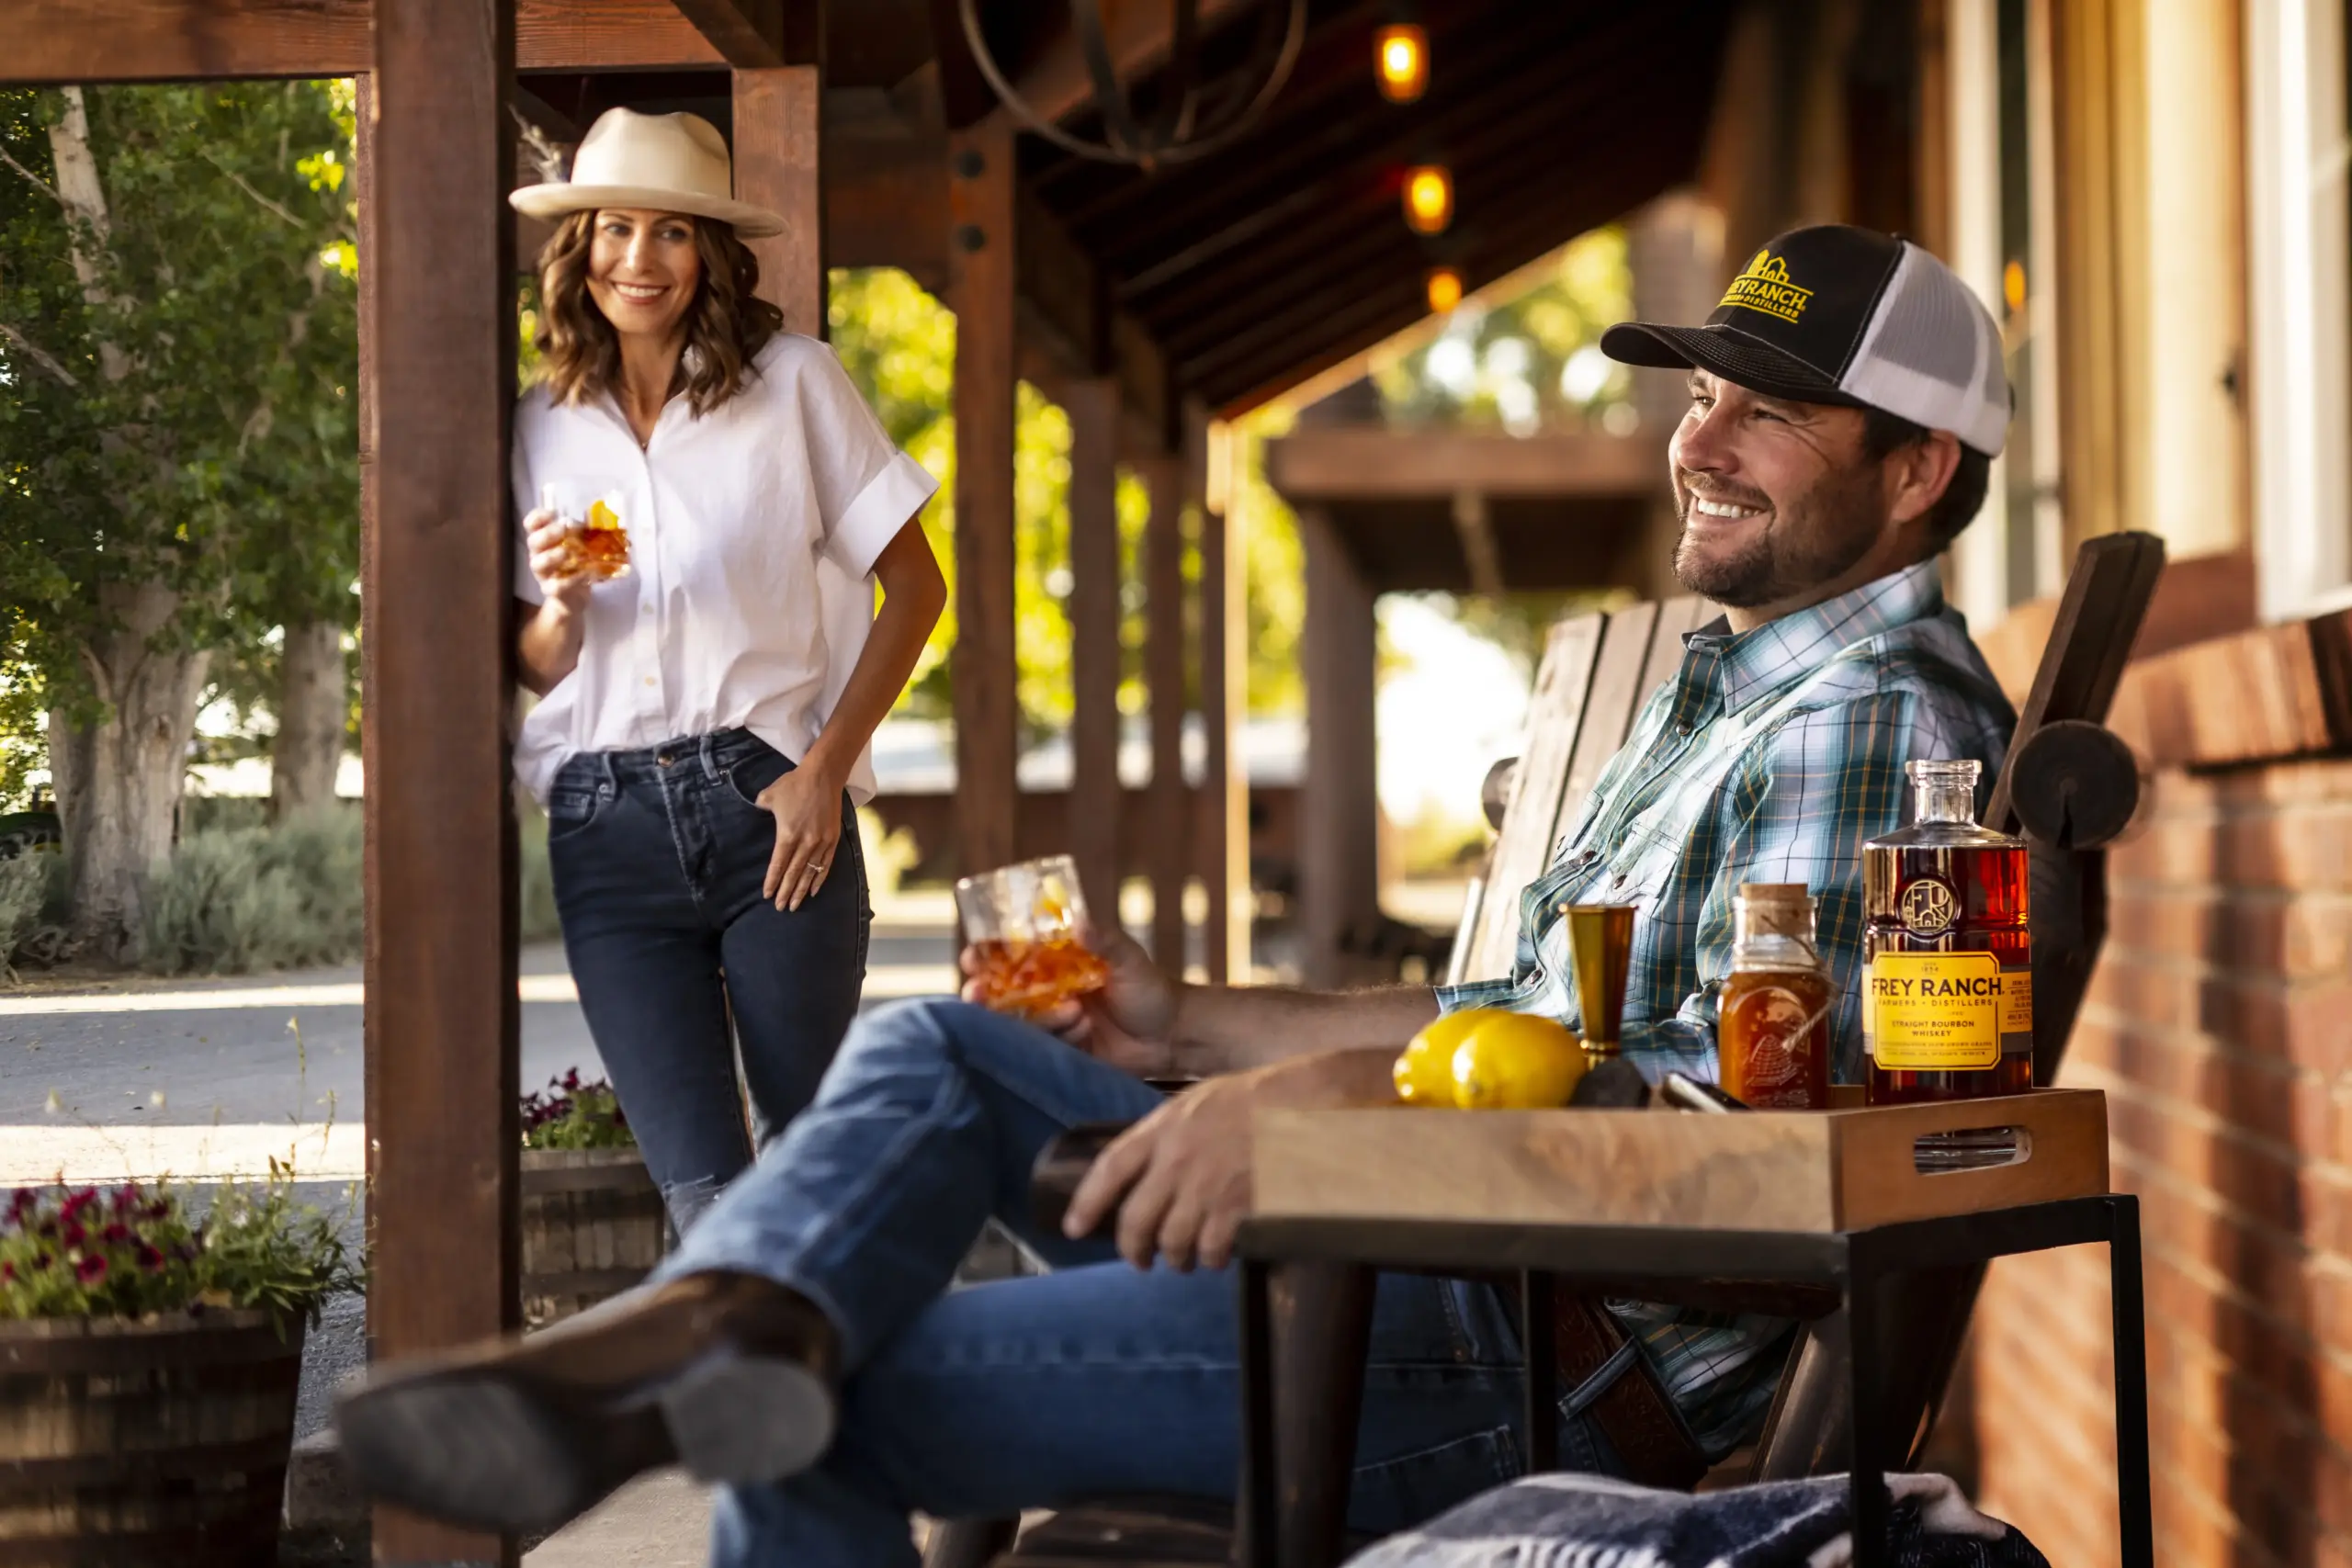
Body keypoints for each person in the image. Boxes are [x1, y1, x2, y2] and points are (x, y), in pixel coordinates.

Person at [338, 225, 2018, 1566]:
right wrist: (1198, 1022)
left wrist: (1326, 1116)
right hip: (1427, 1244)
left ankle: (687, 1349)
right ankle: (709, 1319)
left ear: (1919, 470)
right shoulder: (1739, 693)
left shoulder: (1872, 721)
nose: (1701, 439)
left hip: (1522, 1340)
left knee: (822, 1401)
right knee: (942, 1049)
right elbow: (1516, 1029)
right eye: (1698, 393)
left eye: (1767, 408)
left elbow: (1768, 1161)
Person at [505, 108, 945, 1234]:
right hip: (603, 829)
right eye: (613, 229)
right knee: (704, 1201)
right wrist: (560, 603)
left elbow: (919, 588)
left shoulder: (790, 384)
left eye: (669, 233)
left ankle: (868, 1399)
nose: (637, 260)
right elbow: (540, 660)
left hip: (767, 808)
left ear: (709, 253)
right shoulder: (540, 429)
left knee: (815, 1174)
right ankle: (776, 1401)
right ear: (579, 247)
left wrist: (824, 771)